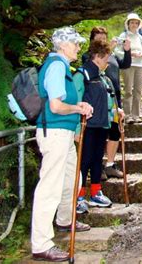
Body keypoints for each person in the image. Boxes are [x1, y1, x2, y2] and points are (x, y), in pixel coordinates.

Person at [31, 27, 93, 262]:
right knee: (50, 186)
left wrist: (79, 105)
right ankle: (41, 244)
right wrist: (78, 108)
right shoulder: (56, 66)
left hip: (63, 132)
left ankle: (65, 220)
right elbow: (56, 106)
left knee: (71, 177)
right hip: (54, 131)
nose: (79, 47)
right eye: (75, 43)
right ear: (63, 45)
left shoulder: (62, 67)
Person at [82, 26, 131, 180]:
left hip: (114, 98)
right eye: (99, 38)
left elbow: (125, 64)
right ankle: (96, 168)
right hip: (98, 102)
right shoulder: (87, 57)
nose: (102, 41)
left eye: (104, 38)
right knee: (99, 134)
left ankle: (110, 164)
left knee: (115, 131)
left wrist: (127, 50)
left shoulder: (113, 56)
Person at [74, 40, 117, 214]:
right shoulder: (82, 75)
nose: (108, 61)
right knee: (84, 161)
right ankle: (78, 196)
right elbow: (75, 101)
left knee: (97, 159)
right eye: (106, 57)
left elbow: (107, 100)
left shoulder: (101, 77)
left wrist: (116, 113)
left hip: (101, 124)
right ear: (98, 57)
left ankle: (95, 192)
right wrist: (77, 129)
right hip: (88, 126)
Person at [116, 12, 142, 124]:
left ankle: (136, 114)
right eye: (132, 22)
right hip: (128, 65)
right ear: (128, 24)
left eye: (136, 23)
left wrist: (141, 54)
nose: (134, 25)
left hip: (140, 65)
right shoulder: (123, 36)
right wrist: (129, 54)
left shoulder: (140, 37)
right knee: (128, 89)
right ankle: (127, 114)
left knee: (138, 90)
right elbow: (117, 51)